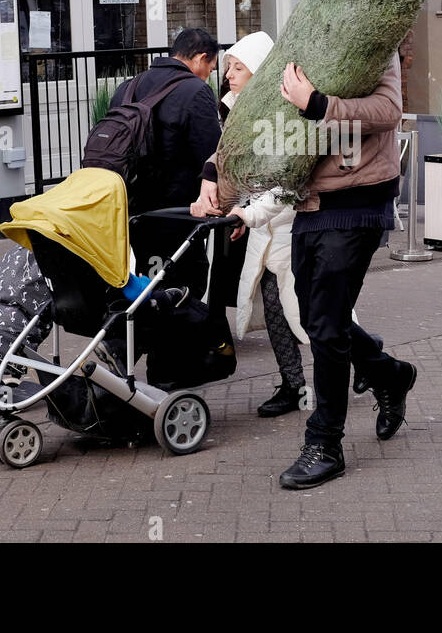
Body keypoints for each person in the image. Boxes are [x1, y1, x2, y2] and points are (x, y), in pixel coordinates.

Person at [201, 54, 417, 489]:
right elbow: (265, 126)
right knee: (321, 318)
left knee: (325, 328)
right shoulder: (306, 45)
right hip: (309, 206)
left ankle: (325, 444)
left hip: (357, 205)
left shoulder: (372, 42)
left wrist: (317, 103)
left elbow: (388, 112)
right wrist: (216, 173)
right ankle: (390, 374)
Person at [193, 31, 312, 417]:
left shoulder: (279, 115)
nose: (228, 74)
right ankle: (295, 384)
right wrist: (238, 206)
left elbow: (284, 178)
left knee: (303, 309)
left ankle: (368, 359)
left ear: (258, 71)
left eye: (238, 67)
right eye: (227, 67)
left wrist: (251, 211)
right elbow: (229, 159)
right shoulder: (236, 111)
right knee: (283, 309)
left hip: (287, 222)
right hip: (261, 221)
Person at [107, 27, 222, 298]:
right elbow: (214, 154)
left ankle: (138, 337)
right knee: (184, 286)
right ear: (200, 58)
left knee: (141, 281)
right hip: (177, 212)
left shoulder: (128, 88)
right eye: (211, 67)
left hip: (131, 208)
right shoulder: (196, 91)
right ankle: (176, 338)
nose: (209, 75)